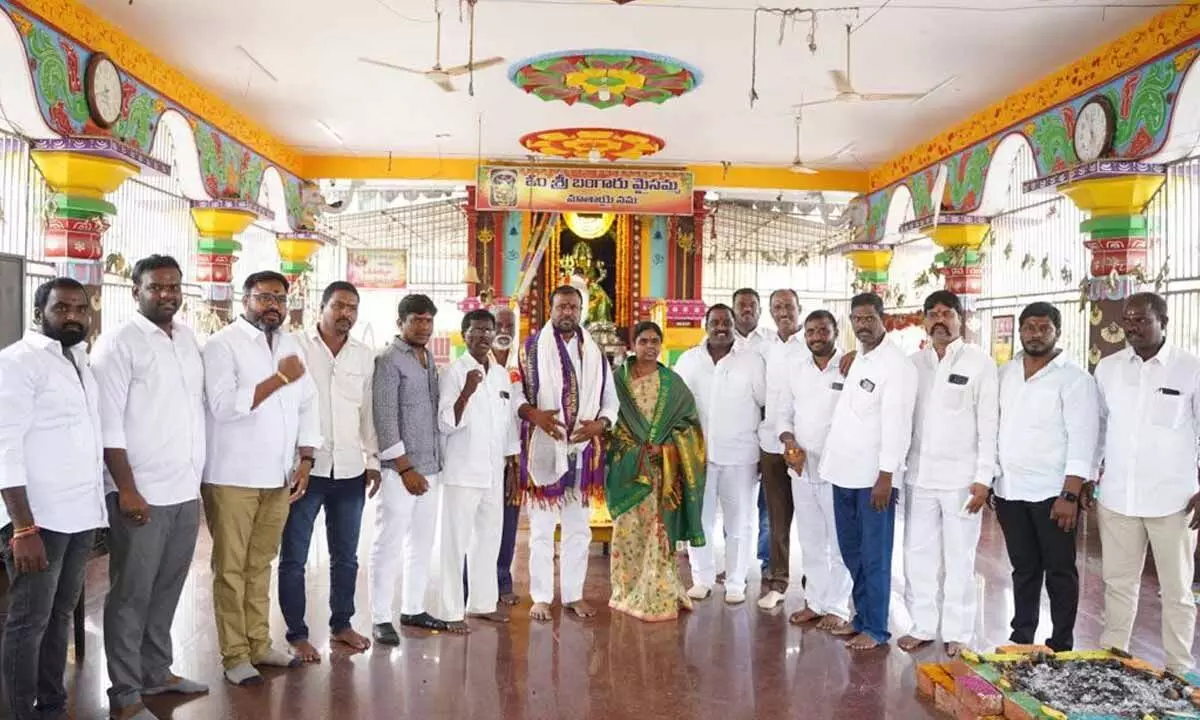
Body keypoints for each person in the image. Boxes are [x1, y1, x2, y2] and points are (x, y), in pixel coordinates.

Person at [92, 256, 209, 719]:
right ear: (135, 290)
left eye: (174, 286)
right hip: (140, 492)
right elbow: (108, 427)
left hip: (184, 491)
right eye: (156, 287)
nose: (167, 294)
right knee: (131, 594)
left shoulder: (186, 338)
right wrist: (127, 489)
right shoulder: (119, 344)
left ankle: (157, 672)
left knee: (167, 588)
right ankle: (124, 693)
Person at [202, 270, 320, 686]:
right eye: (263, 297)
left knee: (261, 563)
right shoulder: (222, 345)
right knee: (231, 568)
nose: (272, 305)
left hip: (277, 476)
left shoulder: (290, 345)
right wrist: (278, 379)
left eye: (279, 299)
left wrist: (306, 458)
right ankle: (234, 654)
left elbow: (308, 405)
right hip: (232, 474)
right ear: (245, 299)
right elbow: (224, 407)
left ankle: (258, 643)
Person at [0, 278, 107, 720]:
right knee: (29, 622)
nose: (73, 317)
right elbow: (4, 447)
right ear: (39, 311)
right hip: (38, 518)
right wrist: (23, 527)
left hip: (79, 513)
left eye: (80, 309)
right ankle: (23, 713)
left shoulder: (80, 361)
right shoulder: (17, 362)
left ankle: (53, 704)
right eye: (61, 308)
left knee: (61, 615)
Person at [1093, 292, 1200, 675]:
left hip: (1175, 501)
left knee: (1177, 591)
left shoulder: (1190, 368)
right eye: (1128, 319)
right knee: (1118, 582)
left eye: (1142, 320)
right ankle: (1114, 653)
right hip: (1119, 496)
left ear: (1163, 322)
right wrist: (1091, 477)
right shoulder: (1108, 368)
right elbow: (1099, 428)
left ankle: (1178, 667)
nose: (1133, 327)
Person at [278, 281, 380, 662]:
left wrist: (372, 461)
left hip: (350, 470)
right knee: (294, 556)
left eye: (352, 307)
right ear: (322, 307)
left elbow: (368, 413)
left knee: (347, 556)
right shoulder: (295, 347)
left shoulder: (363, 355)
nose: (346, 314)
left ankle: (342, 624)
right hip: (305, 470)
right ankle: (296, 632)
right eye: (338, 305)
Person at [897, 290, 998, 657]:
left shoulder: (980, 363)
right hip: (918, 477)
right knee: (917, 554)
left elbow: (989, 424)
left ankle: (959, 631)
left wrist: (984, 478)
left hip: (961, 480)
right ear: (925, 320)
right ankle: (923, 624)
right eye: (933, 313)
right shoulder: (911, 363)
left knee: (959, 558)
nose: (940, 320)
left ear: (960, 319)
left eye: (947, 313)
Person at [994, 302, 1098, 652]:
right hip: (1010, 489)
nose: (1035, 334)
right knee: (1023, 568)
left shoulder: (1075, 379)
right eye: (1029, 327)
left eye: (1044, 328)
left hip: (1054, 494)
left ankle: (1061, 642)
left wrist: (1070, 495)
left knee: (1059, 570)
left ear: (1057, 332)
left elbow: (1084, 438)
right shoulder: (1005, 373)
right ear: (1020, 331)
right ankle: (1022, 635)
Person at [821, 292, 917, 651]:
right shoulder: (857, 358)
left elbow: (898, 425)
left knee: (875, 554)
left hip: (874, 479)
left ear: (884, 319)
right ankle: (861, 616)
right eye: (856, 320)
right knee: (851, 550)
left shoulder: (897, 365)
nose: (862, 325)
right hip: (843, 471)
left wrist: (887, 476)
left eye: (868, 319)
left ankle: (876, 628)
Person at [516, 285, 618, 622]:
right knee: (542, 529)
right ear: (551, 308)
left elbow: (610, 401)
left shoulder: (595, 353)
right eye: (561, 306)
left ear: (581, 310)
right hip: (545, 448)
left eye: (573, 307)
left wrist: (599, 425)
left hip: (583, 450)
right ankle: (542, 597)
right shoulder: (530, 349)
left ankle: (574, 595)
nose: (567, 313)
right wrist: (535, 416)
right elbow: (516, 395)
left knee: (579, 530)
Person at [607, 321, 707, 621]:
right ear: (632, 345)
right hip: (627, 467)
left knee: (656, 529)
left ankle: (658, 592)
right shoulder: (617, 381)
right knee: (627, 529)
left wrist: (663, 450)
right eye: (644, 341)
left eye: (655, 341)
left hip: (661, 470)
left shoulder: (672, 383)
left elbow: (689, 427)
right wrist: (635, 451)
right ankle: (625, 590)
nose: (650, 347)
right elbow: (609, 419)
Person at [675, 304, 766, 605]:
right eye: (714, 322)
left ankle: (736, 582)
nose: (721, 327)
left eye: (726, 322)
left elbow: (765, 404)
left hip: (740, 455)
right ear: (705, 325)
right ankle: (702, 578)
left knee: (738, 523)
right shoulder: (689, 361)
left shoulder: (752, 362)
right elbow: (675, 406)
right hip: (697, 457)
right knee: (699, 522)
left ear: (734, 324)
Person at [370, 293, 448, 641]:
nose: (423, 326)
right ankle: (380, 615)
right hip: (401, 471)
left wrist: (427, 468)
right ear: (400, 322)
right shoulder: (388, 360)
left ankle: (414, 608)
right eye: (416, 319)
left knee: (421, 542)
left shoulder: (428, 358)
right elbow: (385, 418)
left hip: (430, 467)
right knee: (389, 541)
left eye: (428, 320)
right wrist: (404, 468)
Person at [435, 309, 517, 632]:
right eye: (476, 331)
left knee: (488, 539)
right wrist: (467, 391)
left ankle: (482, 603)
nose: (483, 336)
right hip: (462, 471)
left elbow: (507, 424)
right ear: (464, 335)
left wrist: (512, 464)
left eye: (488, 331)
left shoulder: (500, 375)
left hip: (494, 472)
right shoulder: (453, 373)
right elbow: (445, 423)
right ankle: (450, 611)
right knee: (455, 543)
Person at [776, 310, 853, 632]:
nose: (817, 336)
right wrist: (789, 441)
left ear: (835, 332)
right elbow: (782, 415)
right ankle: (816, 602)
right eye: (811, 331)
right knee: (810, 539)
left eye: (823, 330)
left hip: (840, 470)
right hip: (802, 469)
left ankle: (837, 606)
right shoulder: (796, 370)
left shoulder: (851, 367)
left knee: (839, 541)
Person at [757, 289, 805, 610]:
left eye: (789, 306)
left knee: (815, 518)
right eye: (777, 307)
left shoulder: (815, 341)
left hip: (807, 445)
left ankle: (815, 584)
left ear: (799, 308)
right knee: (776, 517)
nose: (783, 312)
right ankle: (778, 580)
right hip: (771, 444)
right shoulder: (765, 346)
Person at [731, 288, 772, 577]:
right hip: (733, 434)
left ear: (760, 310)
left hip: (769, 430)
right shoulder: (719, 339)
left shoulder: (772, 342)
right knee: (733, 502)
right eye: (741, 305)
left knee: (768, 504)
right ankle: (734, 565)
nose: (747, 309)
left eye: (752, 305)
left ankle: (768, 561)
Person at [491, 306, 524, 607]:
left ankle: (503, 581)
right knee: (480, 525)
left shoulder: (523, 365)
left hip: (513, 460)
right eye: (498, 324)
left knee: (509, 523)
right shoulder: (479, 364)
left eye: (508, 325)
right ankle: (472, 584)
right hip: (482, 459)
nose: (503, 329)